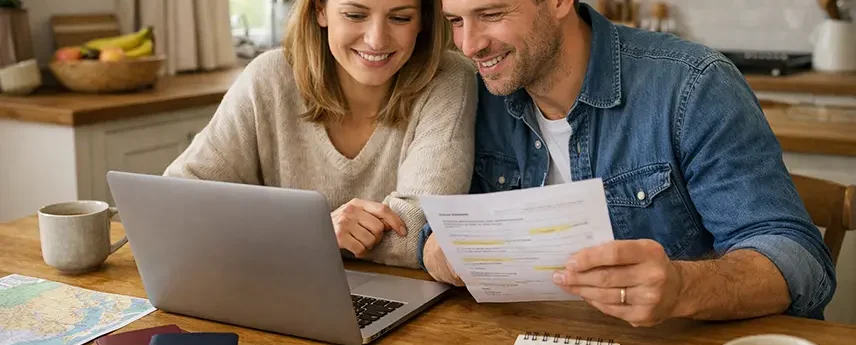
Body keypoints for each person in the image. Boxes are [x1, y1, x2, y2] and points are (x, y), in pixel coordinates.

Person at [418, 0, 836, 326]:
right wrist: (435, 248)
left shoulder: (692, 85)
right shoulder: (475, 92)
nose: (470, 44)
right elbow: (444, 224)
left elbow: (797, 259)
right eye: (455, 20)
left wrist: (682, 289)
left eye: (491, 14)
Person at [164, 0, 477, 269]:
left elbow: (423, 228)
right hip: (277, 286)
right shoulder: (269, 77)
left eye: (400, 17)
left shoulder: (449, 78)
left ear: (423, 21)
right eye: (355, 15)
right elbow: (176, 202)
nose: (377, 39)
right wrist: (313, 233)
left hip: (408, 303)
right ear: (320, 11)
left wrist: (268, 236)